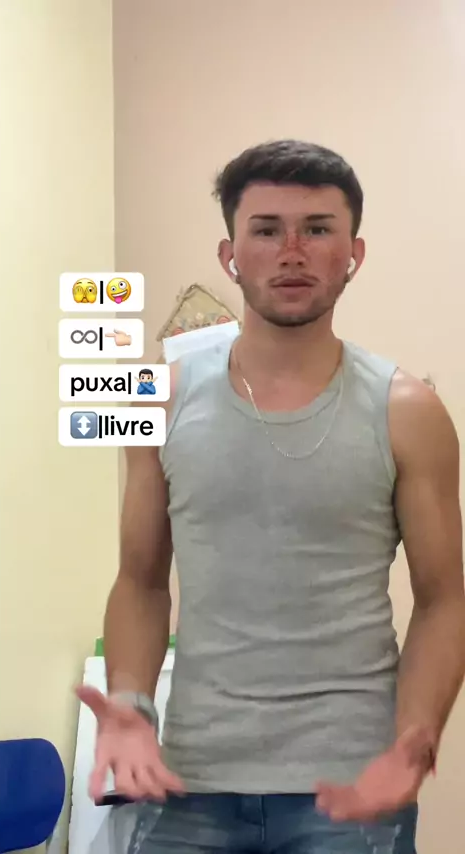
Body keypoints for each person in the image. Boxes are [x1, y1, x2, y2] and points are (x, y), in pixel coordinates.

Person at [78, 140, 465, 854]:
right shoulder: (162, 399)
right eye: (266, 230)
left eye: (317, 229)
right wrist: (130, 705)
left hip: (348, 790)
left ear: (354, 254)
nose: (291, 252)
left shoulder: (408, 411)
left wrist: (414, 738)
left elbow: (444, 600)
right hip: (187, 779)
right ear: (230, 256)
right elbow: (139, 581)